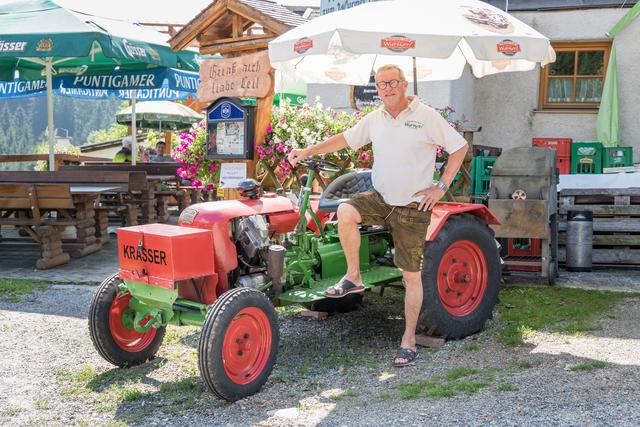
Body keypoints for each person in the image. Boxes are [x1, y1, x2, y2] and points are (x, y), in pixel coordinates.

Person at [288, 64, 469, 367]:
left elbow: (459, 147)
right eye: (381, 83)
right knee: (346, 210)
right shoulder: (377, 118)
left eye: (393, 82)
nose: (387, 88)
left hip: (412, 206)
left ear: (404, 83)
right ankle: (353, 277)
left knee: (412, 277)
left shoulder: (425, 116)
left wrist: (440, 186)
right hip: (381, 199)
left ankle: (408, 340)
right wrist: (308, 151)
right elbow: (344, 139)